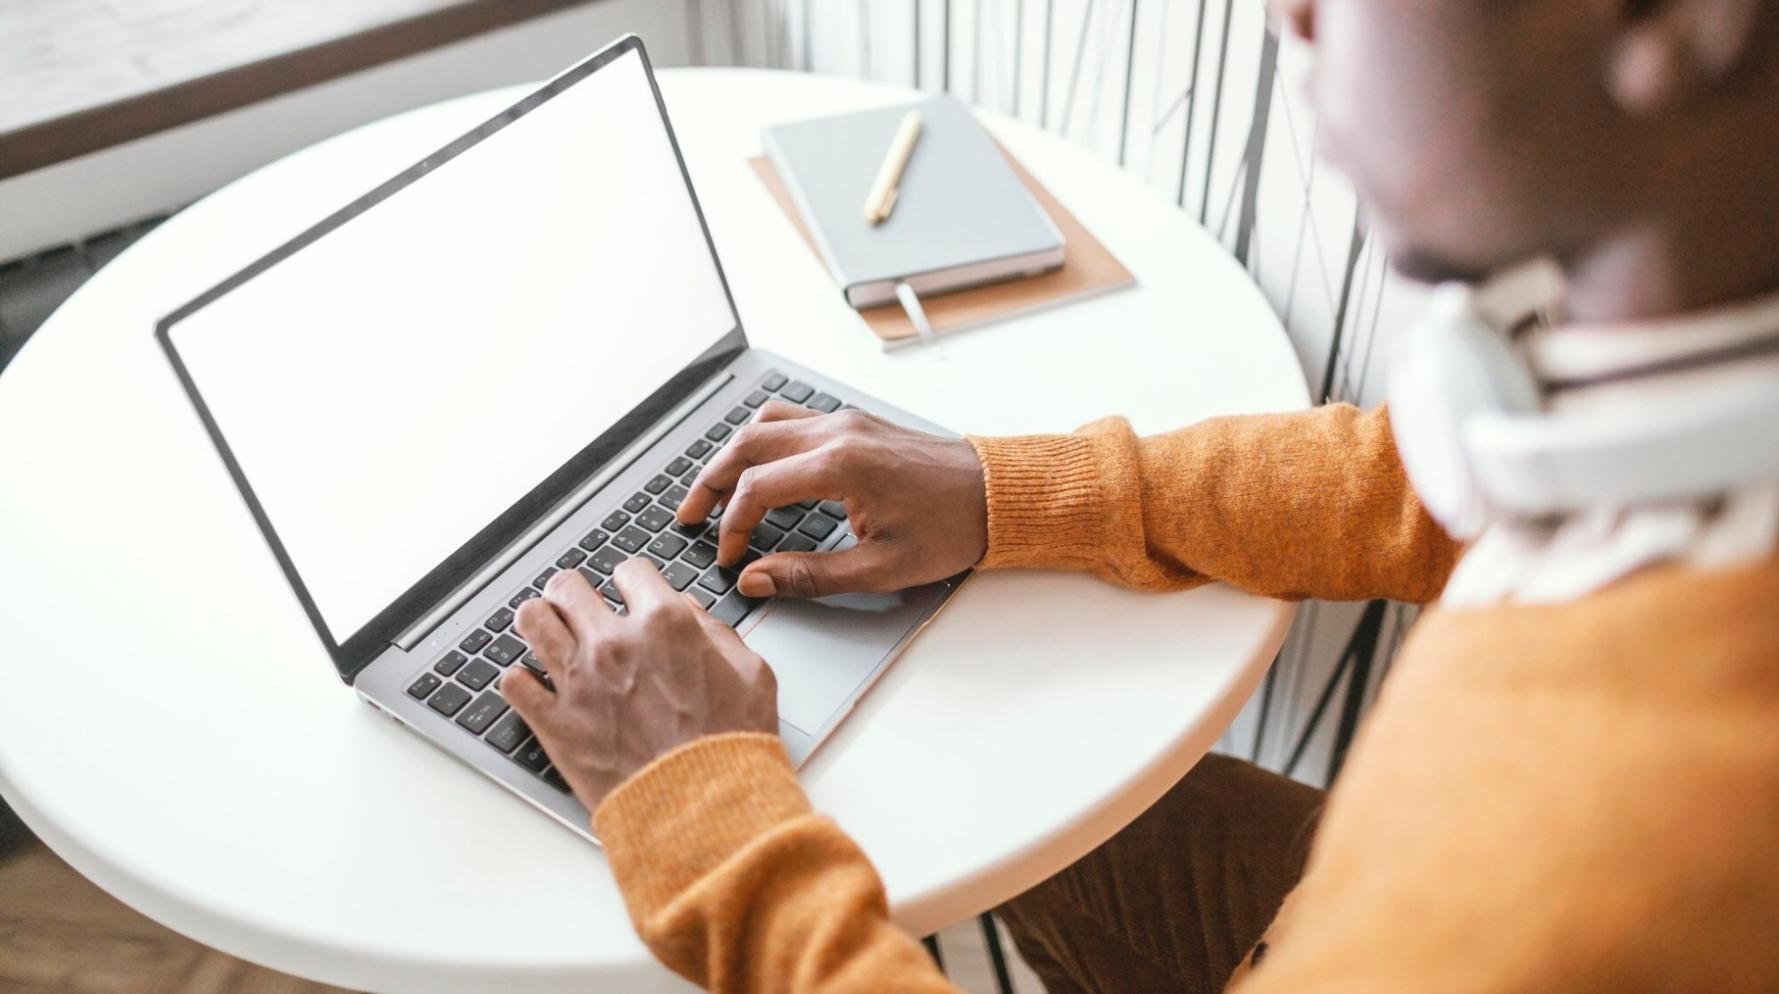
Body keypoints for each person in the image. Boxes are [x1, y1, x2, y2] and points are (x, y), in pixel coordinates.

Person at [497, 0, 1779, 991]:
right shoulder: (1669, 427)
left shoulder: (1643, 837)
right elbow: (1421, 489)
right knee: (1021, 796)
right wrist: (1009, 491)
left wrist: (712, 820)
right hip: (1334, 891)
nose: (1294, 17)